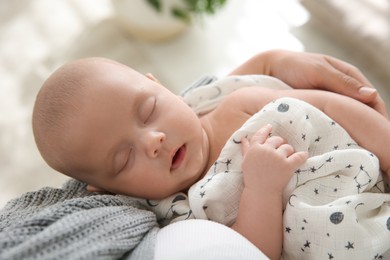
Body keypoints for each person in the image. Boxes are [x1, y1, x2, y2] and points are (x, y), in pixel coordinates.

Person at [32, 50, 390, 259]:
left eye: (149, 110)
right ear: (107, 190)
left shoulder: (235, 107)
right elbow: (249, 252)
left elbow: (334, 106)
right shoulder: (181, 217)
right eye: (124, 158)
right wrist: (260, 191)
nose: (153, 140)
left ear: (160, 86)